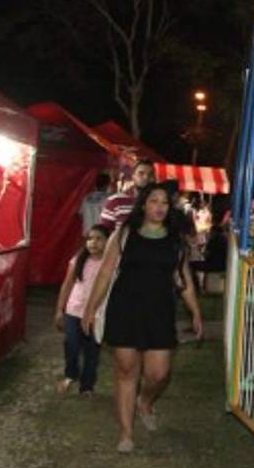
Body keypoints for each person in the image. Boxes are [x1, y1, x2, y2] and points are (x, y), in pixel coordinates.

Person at [82, 183, 204, 453]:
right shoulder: (124, 234)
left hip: (160, 311)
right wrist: (90, 308)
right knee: (126, 371)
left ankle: (145, 402)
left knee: (158, 373)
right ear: (143, 205)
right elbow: (104, 273)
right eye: (153, 201)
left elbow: (184, 279)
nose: (160, 207)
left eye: (164, 202)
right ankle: (126, 433)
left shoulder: (175, 239)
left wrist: (195, 312)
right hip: (125, 309)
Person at [53, 223, 111, 395]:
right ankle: (70, 374)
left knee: (91, 352)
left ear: (109, 242)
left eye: (99, 239)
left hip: (96, 315)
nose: (93, 243)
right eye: (90, 239)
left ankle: (87, 386)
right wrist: (59, 310)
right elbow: (67, 284)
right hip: (74, 311)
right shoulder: (78, 259)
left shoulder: (111, 264)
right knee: (71, 344)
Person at [98, 159, 155, 227]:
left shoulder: (161, 203)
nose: (146, 177)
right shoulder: (116, 201)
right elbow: (103, 232)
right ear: (133, 176)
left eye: (150, 174)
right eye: (141, 173)